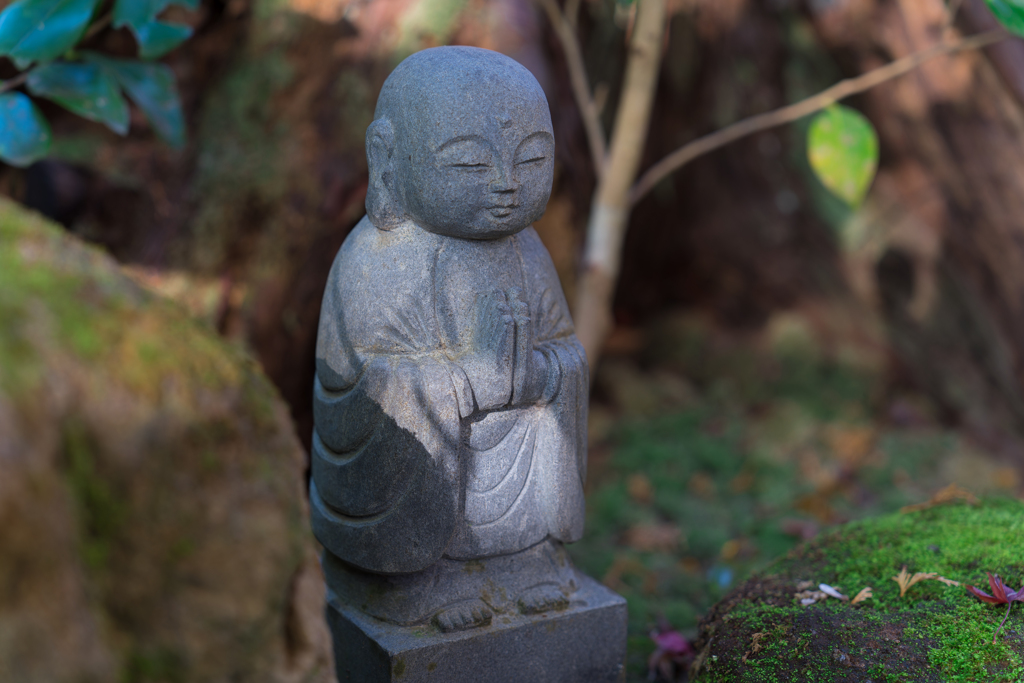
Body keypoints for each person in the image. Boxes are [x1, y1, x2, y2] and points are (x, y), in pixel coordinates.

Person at [310, 46, 588, 632]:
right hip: (428, 471)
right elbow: (361, 382)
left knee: (542, 416)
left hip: (507, 444)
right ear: (388, 161)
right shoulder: (378, 258)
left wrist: (542, 375)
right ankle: (410, 579)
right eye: (469, 165)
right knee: (408, 419)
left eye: (532, 159)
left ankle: (525, 559)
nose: (508, 185)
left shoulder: (527, 251)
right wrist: (464, 381)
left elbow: (565, 346)